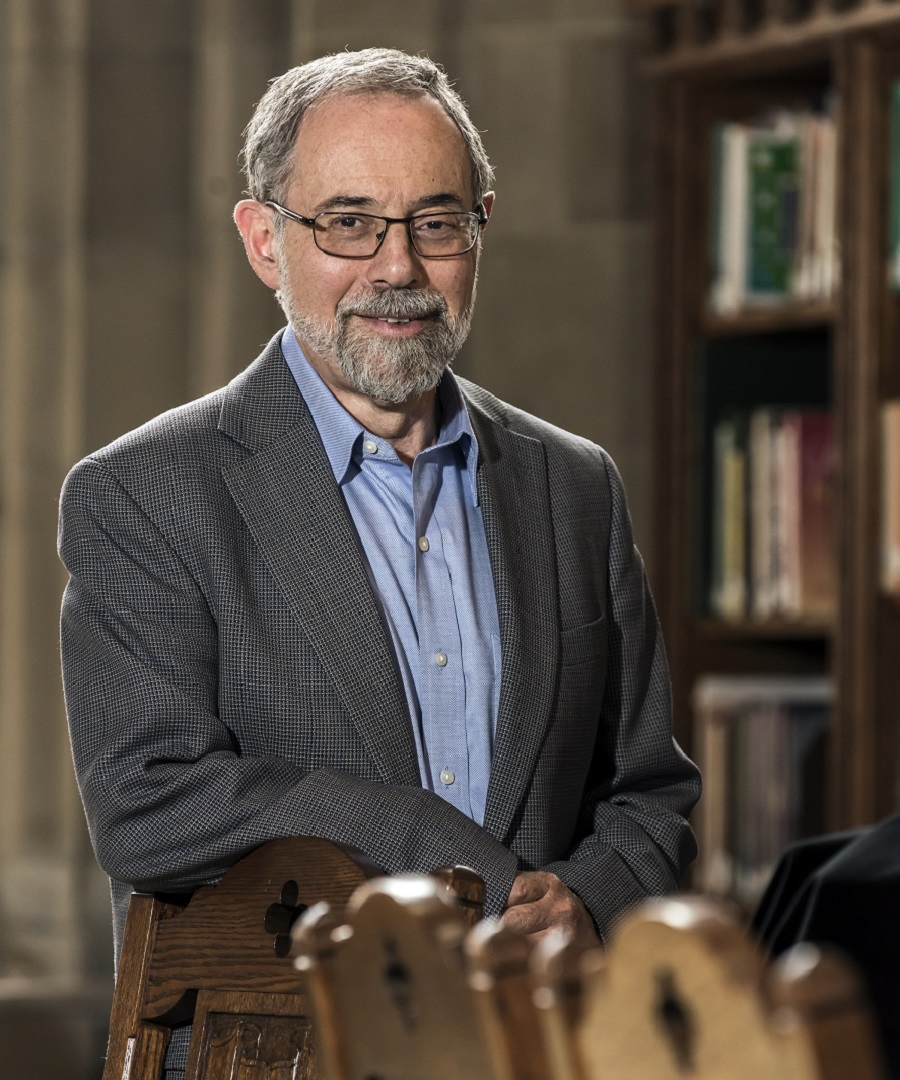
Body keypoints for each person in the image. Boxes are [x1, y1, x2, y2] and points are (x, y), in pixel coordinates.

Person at [59, 47, 700, 1074]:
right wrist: (419, 839)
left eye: (436, 223)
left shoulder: (575, 486)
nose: (398, 269)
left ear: (478, 231)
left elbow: (651, 795)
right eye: (348, 223)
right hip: (278, 1052)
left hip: (535, 1048)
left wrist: (585, 901)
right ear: (264, 238)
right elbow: (146, 802)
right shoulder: (145, 493)